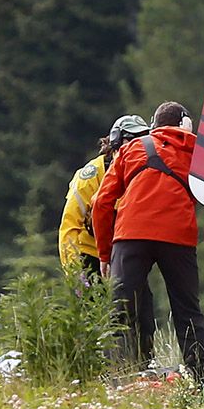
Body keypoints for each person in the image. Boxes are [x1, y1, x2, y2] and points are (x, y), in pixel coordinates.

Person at [92, 101, 204, 382]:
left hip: (131, 235)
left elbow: (101, 203)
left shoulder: (131, 149)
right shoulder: (197, 153)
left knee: (120, 311)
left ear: (154, 126)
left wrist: (105, 254)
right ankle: (203, 378)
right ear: (185, 123)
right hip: (177, 237)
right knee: (187, 311)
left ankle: (118, 376)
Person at [58, 114, 157, 363]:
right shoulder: (90, 177)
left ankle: (143, 364)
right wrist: (75, 274)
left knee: (142, 314)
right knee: (95, 319)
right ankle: (97, 368)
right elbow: (69, 227)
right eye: (130, 141)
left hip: (123, 253)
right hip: (89, 255)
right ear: (114, 143)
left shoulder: (143, 173)